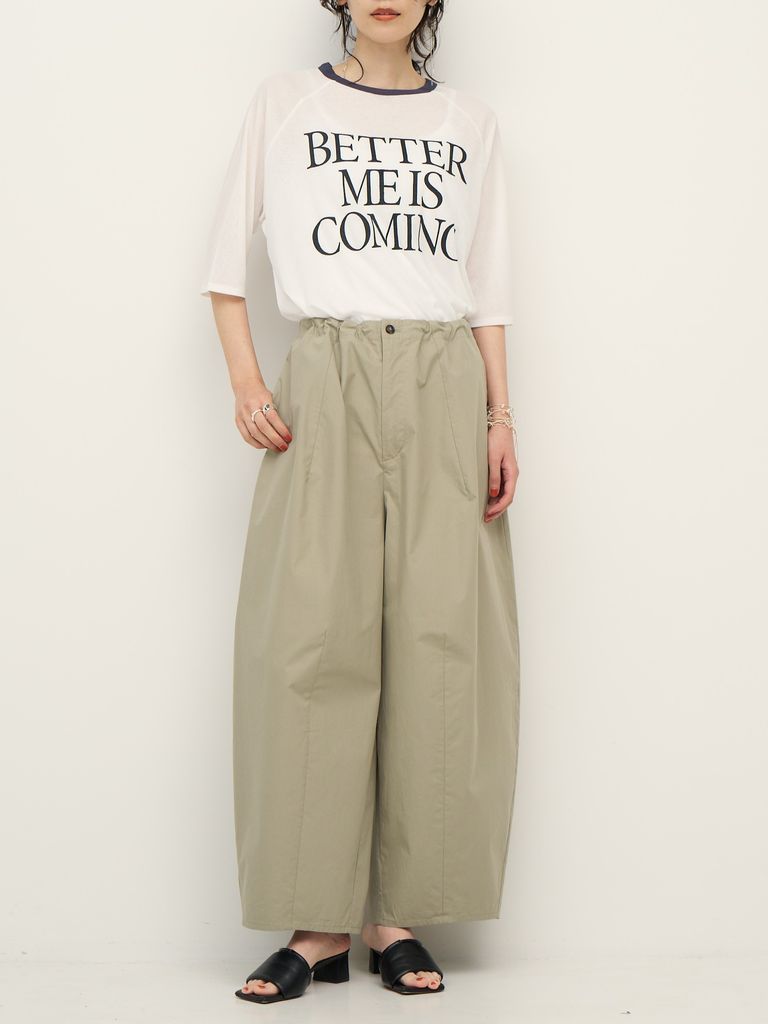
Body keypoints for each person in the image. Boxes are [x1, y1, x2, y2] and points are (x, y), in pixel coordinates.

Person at [200, 0, 521, 1004]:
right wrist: (248, 384)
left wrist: (501, 415)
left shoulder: (469, 121)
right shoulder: (285, 103)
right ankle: (317, 927)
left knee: (442, 640)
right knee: (312, 637)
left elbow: (488, 285)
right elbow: (223, 265)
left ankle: (399, 919)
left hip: (442, 378)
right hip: (327, 372)